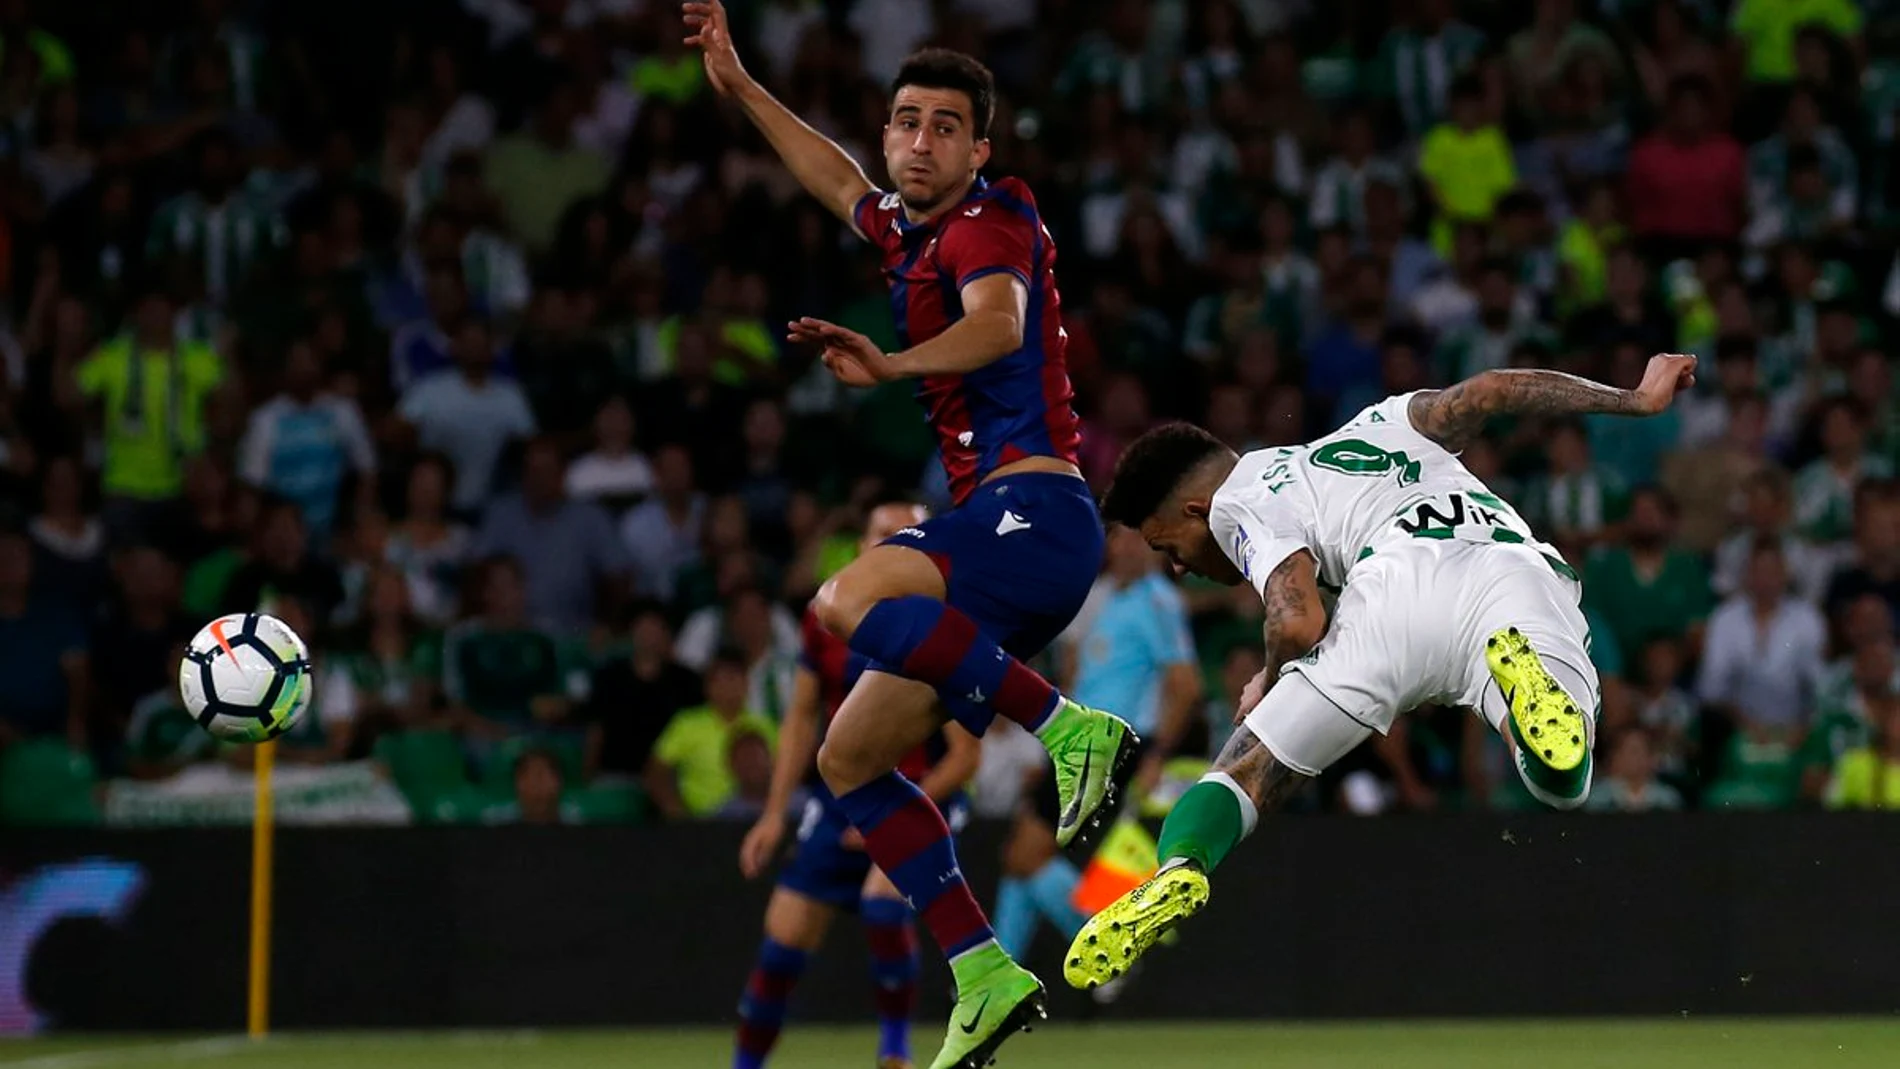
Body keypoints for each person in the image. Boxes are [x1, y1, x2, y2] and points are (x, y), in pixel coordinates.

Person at [686, 7, 1135, 1065]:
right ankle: (980, 968)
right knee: (849, 758)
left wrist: (888, 366)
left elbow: (998, 325)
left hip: (1034, 513)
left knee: (841, 602)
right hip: (999, 529)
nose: (919, 140)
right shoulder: (900, 224)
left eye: (944, 126)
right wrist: (742, 84)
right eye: (904, 123)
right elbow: (831, 177)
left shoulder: (989, 220)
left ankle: (1070, 728)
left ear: (979, 147)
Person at [1063, 353, 1699, 990]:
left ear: (1196, 509)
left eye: (1166, 546)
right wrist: (1635, 399)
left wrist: (1269, 678)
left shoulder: (1238, 503)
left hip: (1389, 599)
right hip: (1510, 571)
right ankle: (1523, 694)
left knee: (1243, 770)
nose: (1177, 567)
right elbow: (1492, 390)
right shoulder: (1379, 422)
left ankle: (1179, 865)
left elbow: (1296, 619)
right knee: (1564, 780)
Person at [732, 501, 981, 1069]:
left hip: (918, 794)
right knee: (780, 948)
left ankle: (894, 1051)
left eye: (907, 535)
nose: (894, 545)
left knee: (880, 902)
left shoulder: (948, 618)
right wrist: (774, 814)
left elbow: (966, 757)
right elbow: (799, 719)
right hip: (840, 797)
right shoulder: (829, 612)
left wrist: (887, 821)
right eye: (882, 535)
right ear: (862, 545)